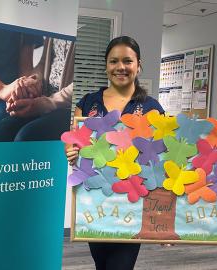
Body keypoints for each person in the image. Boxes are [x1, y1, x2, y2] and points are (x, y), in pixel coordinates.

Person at [65, 36, 164, 270]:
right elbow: (72, 139)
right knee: (102, 264)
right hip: (95, 200)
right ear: (106, 65)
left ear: (138, 65)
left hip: (132, 201)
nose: (120, 67)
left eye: (127, 61)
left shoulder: (152, 108)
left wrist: (161, 218)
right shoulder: (88, 103)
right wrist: (70, 151)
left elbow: (162, 159)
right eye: (113, 61)